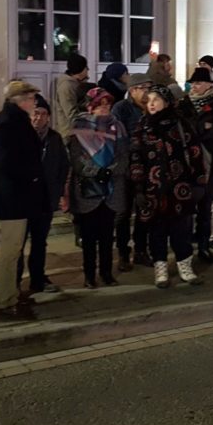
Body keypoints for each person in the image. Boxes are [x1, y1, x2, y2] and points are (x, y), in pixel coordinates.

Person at [130, 85, 206, 288]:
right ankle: (161, 268)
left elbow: (195, 153)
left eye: (156, 99)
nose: (151, 104)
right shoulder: (143, 126)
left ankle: (185, 266)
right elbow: (136, 157)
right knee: (157, 231)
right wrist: (138, 187)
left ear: (166, 101)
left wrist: (198, 183)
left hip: (180, 188)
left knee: (181, 230)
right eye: (149, 100)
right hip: (153, 190)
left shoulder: (180, 124)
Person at [0, 80, 48, 320]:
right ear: (20, 99)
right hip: (14, 198)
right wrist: (31, 177)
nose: (34, 102)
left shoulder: (15, 121)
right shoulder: (7, 123)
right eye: (32, 98)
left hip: (21, 196)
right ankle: (6, 301)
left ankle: (13, 294)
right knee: (11, 252)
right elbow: (6, 164)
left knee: (15, 250)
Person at [68, 88, 128, 288]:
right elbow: (77, 159)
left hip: (111, 189)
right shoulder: (78, 127)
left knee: (106, 235)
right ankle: (89, 275)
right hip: (88, 191)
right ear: (90, 106)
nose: (104, 108)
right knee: (89, 236)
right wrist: (96, 172)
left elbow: (123, 154)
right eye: (99, 104)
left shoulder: (117, 126)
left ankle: (106, 272)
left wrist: (111, 171)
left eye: (107, 104)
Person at [179, 67, 213, 263]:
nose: (195, 86)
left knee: (206, 208)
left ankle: (204, 246)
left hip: (210, 162)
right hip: (187, 163)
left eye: (199, 83)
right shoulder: (184, 104)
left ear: (209, 84)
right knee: (186, 210)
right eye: (193, 83)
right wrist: (202, 129)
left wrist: (197, 132)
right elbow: (182, 130)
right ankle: (185, 250)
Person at [19, 94, 69, 294]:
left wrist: (61, 193)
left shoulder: (54, 138)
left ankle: (38, 278)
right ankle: (14, 281)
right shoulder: (21, 137)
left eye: (41, 114)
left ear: (48, 117)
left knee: (39, 242)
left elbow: (62, 167)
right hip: (24, 199)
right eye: (33, 114)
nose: (37, 118)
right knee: (19, 243)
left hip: (45, 199)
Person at [112, 73, 153, 270]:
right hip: (126, 168)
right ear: (132, 90)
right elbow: (118, 138)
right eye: (143, 88)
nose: (147, 92)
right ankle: (122, 252)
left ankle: (141, 250)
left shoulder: (151, 108)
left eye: (148, 88)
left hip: (147, 169)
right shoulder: (122, 109)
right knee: (123, 212)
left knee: (145, 211)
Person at [54, 54, 89, 138]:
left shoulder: (77, 83)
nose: (88, 69)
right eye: (85, 67)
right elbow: (71, 112)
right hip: (69, 133)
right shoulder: (67, 86)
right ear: (80, 69)